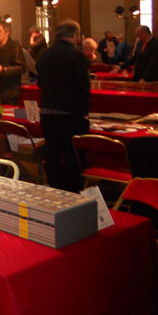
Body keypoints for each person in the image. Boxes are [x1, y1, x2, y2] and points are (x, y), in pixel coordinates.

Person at [36, 20, 89, 192]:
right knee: (71, 156)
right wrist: (84, 113)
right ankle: (72, 191)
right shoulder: (76, 55)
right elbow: (83, 87)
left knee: (52, 153)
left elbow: (41, 83)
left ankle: (54, 188)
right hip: (70, 114)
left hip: (48, 112)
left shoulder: (44, 55)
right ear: (74, 34)